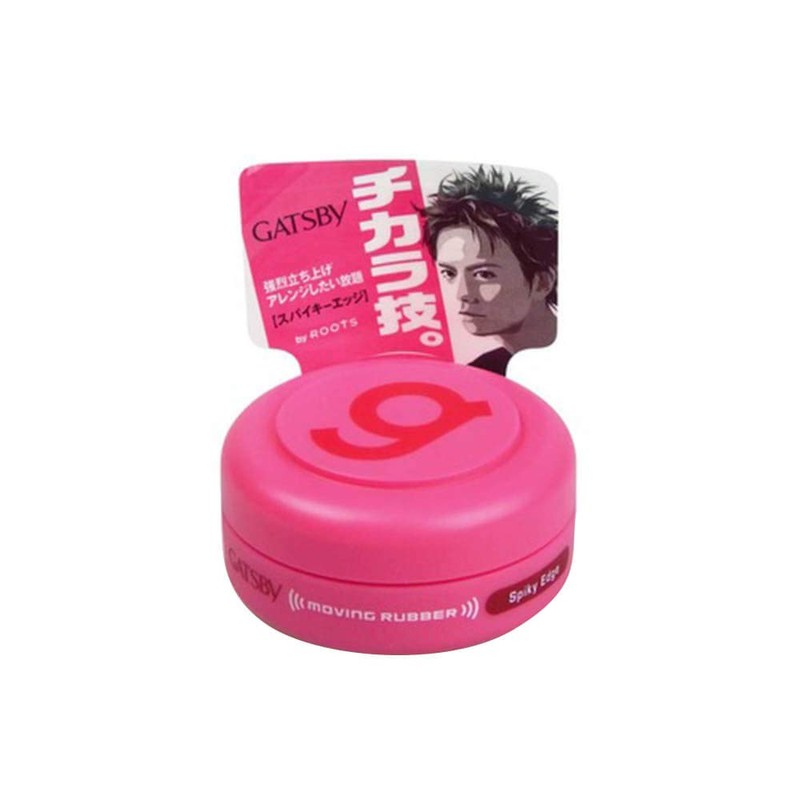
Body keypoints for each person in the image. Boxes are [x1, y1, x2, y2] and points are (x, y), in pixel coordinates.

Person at [422, 166, 558, 374]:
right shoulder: (480, 374)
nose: (462, 294)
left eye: (484, 274)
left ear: (542, 282)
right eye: (449, 273)